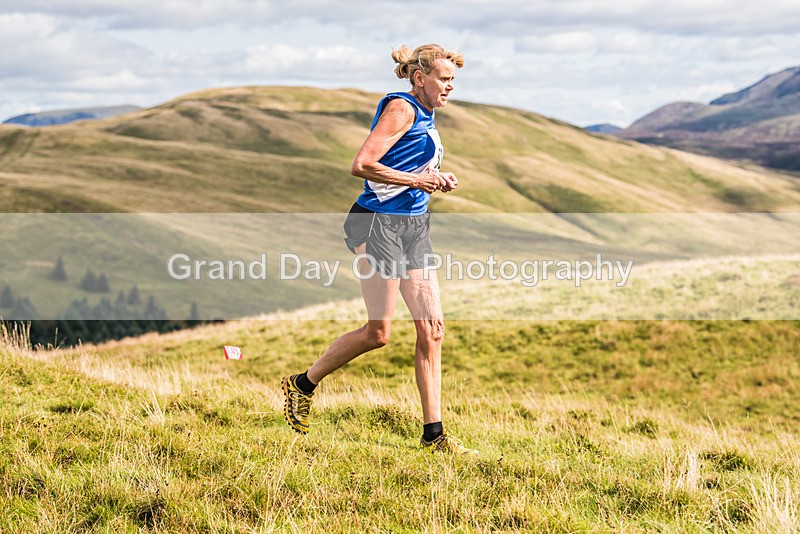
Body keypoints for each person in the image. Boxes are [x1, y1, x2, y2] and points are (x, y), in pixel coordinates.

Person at [282, 43, 477, 455]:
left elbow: (405, 165)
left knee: (432, 329)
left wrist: (434, 177)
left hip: (414, 226)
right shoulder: (402, 109)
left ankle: (435, 436)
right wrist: (417, 182)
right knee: (379, 333)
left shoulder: (426, 113)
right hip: (376, 224)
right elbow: (362, 164)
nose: (450, 87)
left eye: (453, 80)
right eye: (444, 79)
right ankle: (302, 384)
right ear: (419, 78)